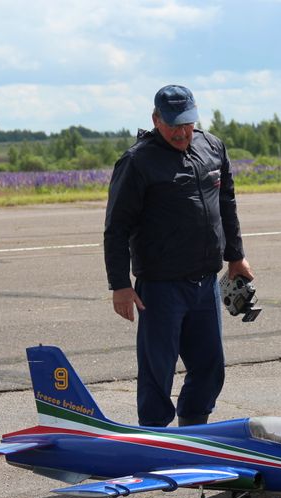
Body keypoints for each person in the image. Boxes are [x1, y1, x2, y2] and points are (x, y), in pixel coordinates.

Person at [104, 84, 254, 428]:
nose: (181, 132)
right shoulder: (137, 162)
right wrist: (120, 285)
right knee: (158, 370)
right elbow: (116, 228)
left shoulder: (212, 146)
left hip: (205, 285)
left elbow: (226, 203)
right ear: (156, 120)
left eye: (187, 123)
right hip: (160, 288)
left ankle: (193, 434)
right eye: (173, 125)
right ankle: (156, 442)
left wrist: (236, 256)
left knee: (210, 366)